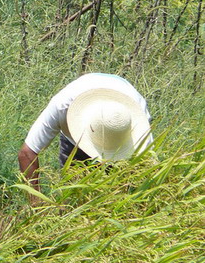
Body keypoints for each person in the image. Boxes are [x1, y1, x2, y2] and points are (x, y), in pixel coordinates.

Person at [18, 73, 152, 191]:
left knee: (115, 194)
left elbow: (148, 168)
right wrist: (36, 206)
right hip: (75, 141)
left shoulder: (139, 118)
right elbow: (27, 153)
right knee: (72, 192)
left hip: (120, 140)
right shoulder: (64, 106)